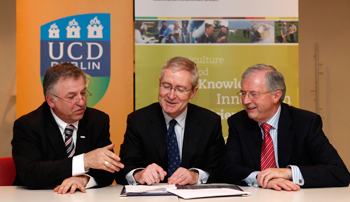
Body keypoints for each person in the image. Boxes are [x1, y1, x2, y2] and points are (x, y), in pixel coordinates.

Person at [220, 64, 350, 191]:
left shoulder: (305, 122)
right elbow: (227, 168)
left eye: (254, 94)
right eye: (243, 93)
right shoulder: (238, 122)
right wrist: (261, 177)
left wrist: (289, 173)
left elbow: (339, 173)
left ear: (276, 96)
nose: (245, 101)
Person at [12, 62, 124, 194]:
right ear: (51, 101)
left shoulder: (98, 120)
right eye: (71, 97)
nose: (81, 102)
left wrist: (84, 179)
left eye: (83, 93)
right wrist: (83, 161)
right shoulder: (28, 125)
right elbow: (31, 173)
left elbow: (109, 171)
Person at [117, 57, 225, 185]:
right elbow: (123, 171)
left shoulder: (210, 122)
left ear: (193, 92)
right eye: (167, 86)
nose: (171, 96)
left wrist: (196, 176)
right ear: (159, 83)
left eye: (180, 89)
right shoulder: (138, 120)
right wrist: (139, 174)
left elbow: (221, 170)